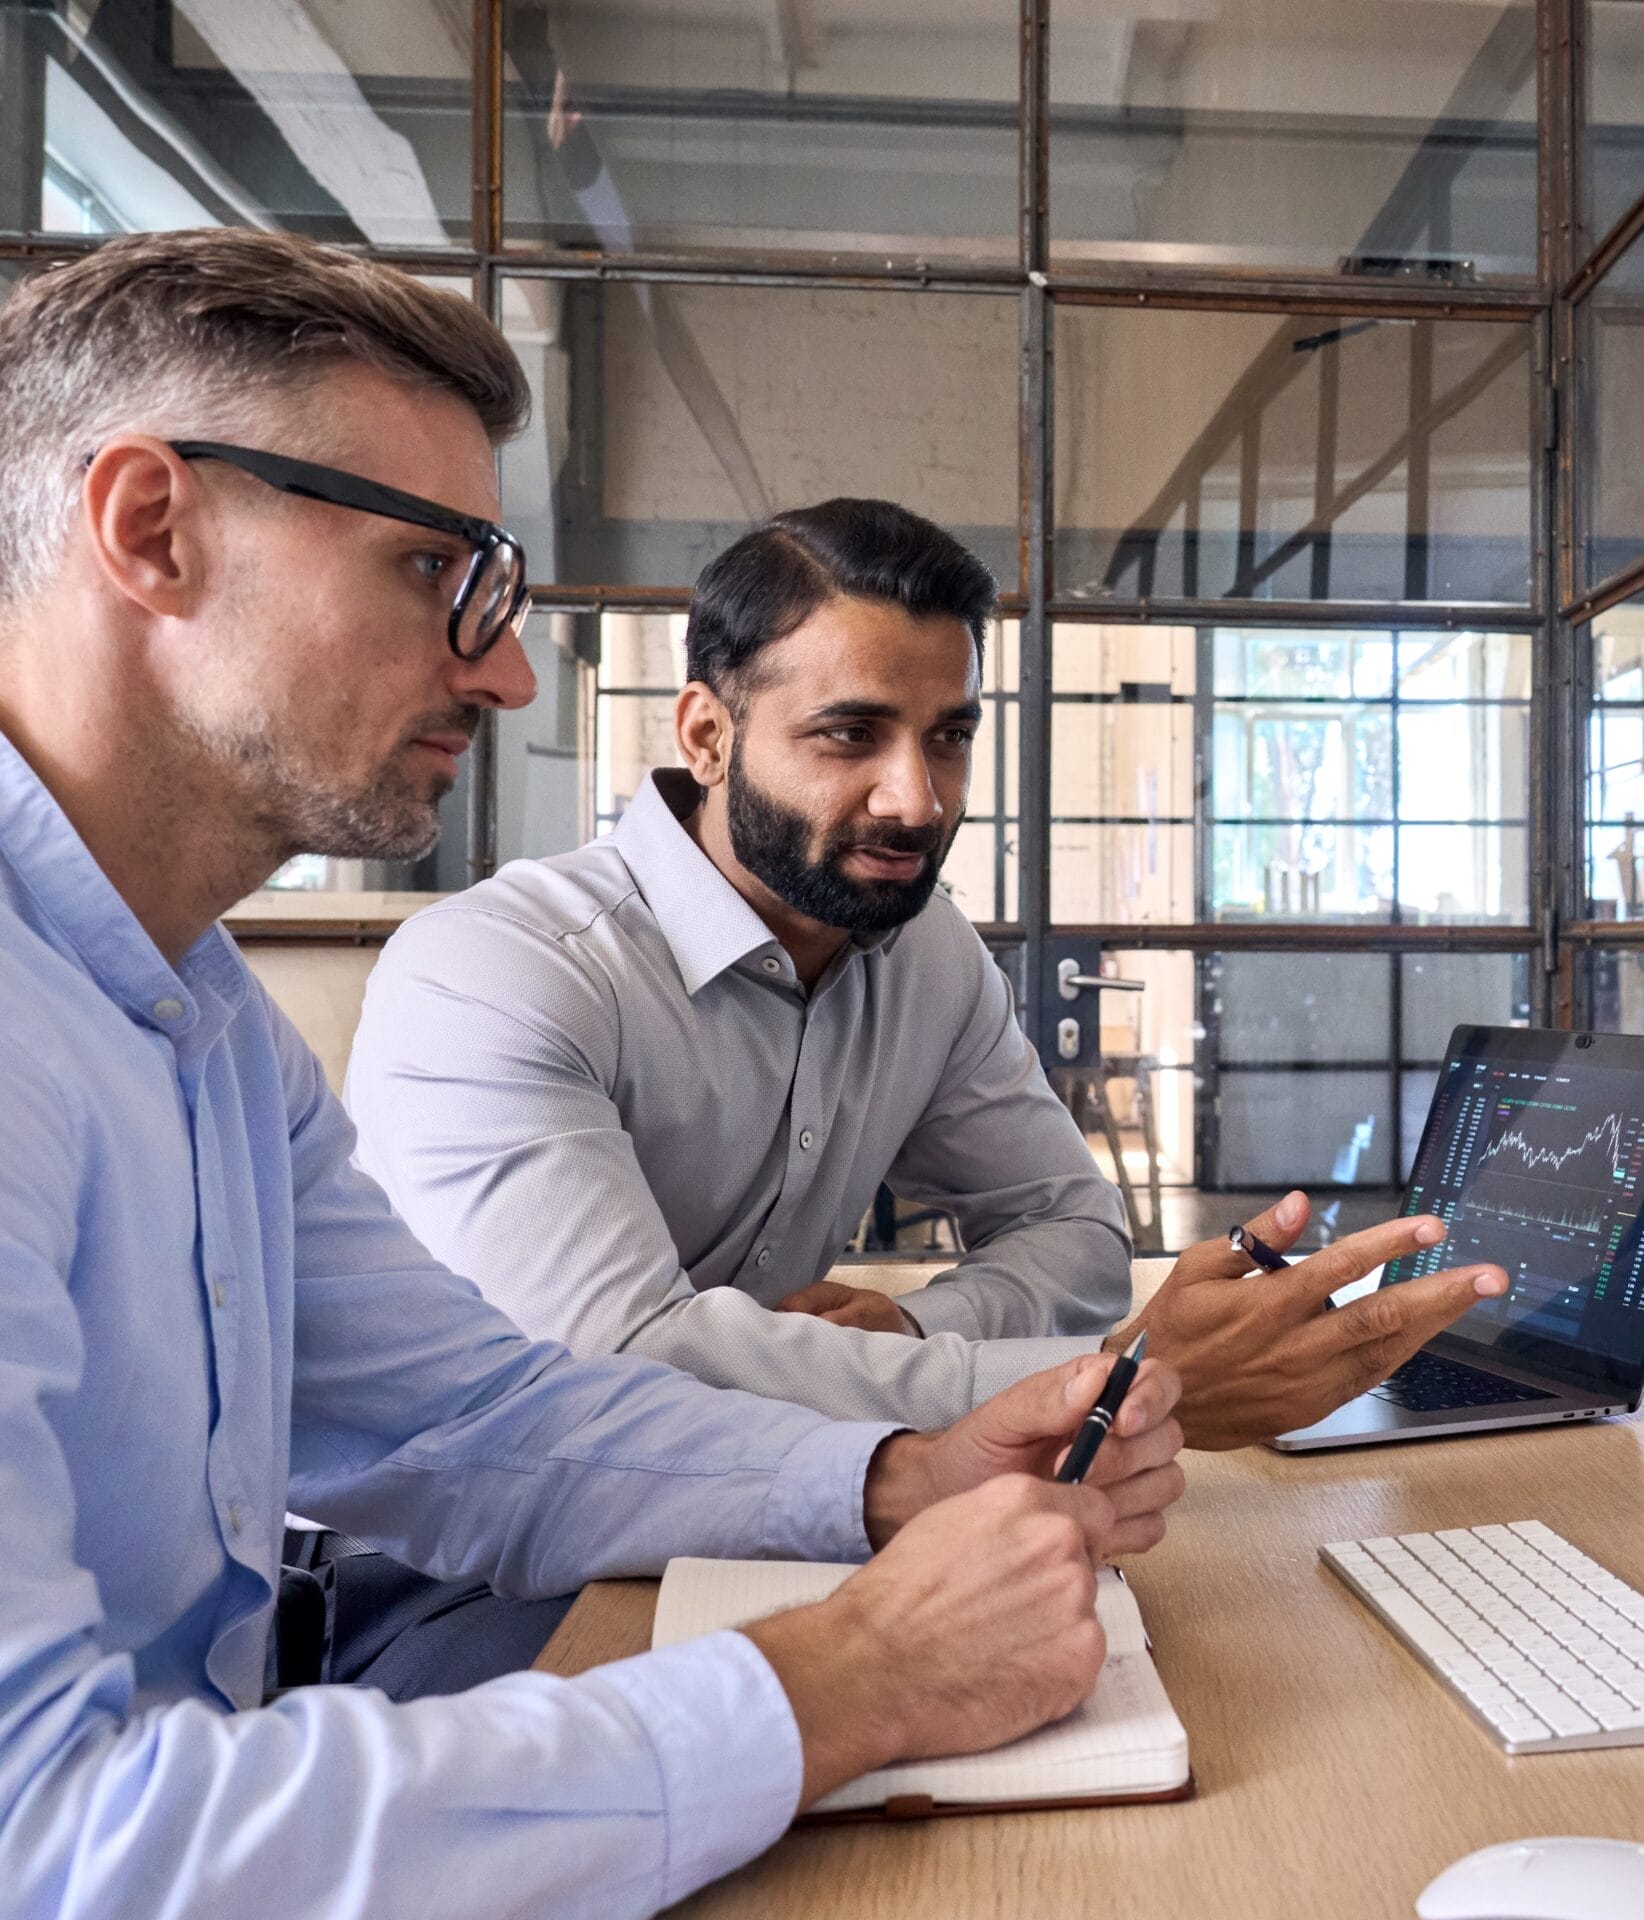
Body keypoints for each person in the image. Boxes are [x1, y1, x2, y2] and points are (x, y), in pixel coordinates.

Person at [0, 228, 1191, 1920]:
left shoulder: (201, 1020)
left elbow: (473, 1417)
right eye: (435, 574)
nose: (503, 669)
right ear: (151, 529)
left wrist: (892, 1476)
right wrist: (848, 1678)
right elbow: (50, 1848)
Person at [347, 501, 1510, 1448]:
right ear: (706, 735)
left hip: (761, 1499)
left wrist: (914, 1331)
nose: (920, 800)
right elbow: (615, 1370)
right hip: (451, 1562)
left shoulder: (925, 949)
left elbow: (1074, 1231)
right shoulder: (500, 973)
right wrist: (1115, 1378)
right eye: (849, 736)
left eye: (948, 736)